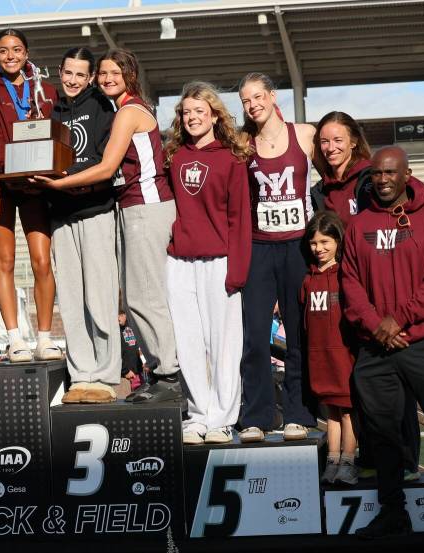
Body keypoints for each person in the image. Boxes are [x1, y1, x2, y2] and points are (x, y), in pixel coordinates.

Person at [34, 48, 180, 403]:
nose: (107, 79)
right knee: (133, 299)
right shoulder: (92, 109)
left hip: (144, 206)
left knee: (145, 297)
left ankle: (170, 374)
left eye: (112, 73)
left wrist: (56, 184)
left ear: (129, 74)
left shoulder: (125, 111)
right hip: (125, 206)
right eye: (103, 73)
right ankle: (154, 373)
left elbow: (105, 166)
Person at [341, 146, 424, 539]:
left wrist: (399, 319)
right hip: (376, 346)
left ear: (407, 175)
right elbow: (351, 283)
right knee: (384, 435)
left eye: (391, 173)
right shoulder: (359, 227)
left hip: (423, 343)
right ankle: (394, 512)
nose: (383, 180)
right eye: (376, 174)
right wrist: (377, 323)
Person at [162, 82, 252, 444]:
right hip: (181, 261)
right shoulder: (175, 156)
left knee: (224, 344)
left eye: (200, 111)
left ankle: (222, 419)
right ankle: (198, 415)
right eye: (186, 112)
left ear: (214, 115)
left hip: (221, 262)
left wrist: (238, 269)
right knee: (188, 343)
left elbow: (240, 217)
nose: (192, 118)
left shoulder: (232, 158)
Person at [236, 72, 316, 442]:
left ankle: (298, 413)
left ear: (271, 96)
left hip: (298, 248)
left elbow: (349, 171)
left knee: (299, 335)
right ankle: (256, 416)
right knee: (254, 335)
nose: (252, 106)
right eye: (245, 101)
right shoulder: (241, 142)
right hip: (259, 248)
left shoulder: (305, 135)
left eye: (257, 97)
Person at [36, 46, 119, 404]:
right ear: (60, 71)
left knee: (99, 296)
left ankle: (106, 375)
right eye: (67, 73)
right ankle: (81, 374)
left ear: (90, 78)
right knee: (71, 298)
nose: (72, 80)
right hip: (61, 214)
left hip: (96, 210)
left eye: (80, 75)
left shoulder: (103, 107)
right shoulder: (50, 111)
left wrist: (68, 176)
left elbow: (105, 161)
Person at [0, 29, 60, 363]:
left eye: (16, 49)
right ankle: (15, 339)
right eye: (3, 51)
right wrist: (11, 164)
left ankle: (44, 338)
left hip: (34, 180)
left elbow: (53, 132)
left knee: (43, 261)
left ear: (27, 53)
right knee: (5, 260)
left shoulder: (46, 90)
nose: (10, 56)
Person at [300, 211, 358, 485]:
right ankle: (332, 461)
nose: (319, 248)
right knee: (331, 411)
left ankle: (348, 461)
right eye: (314, 243)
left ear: (338, 241)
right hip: (319, 355)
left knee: (348, 410)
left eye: (325, 241)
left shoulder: (346, 274)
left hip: (343, 354)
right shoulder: (308, 278)